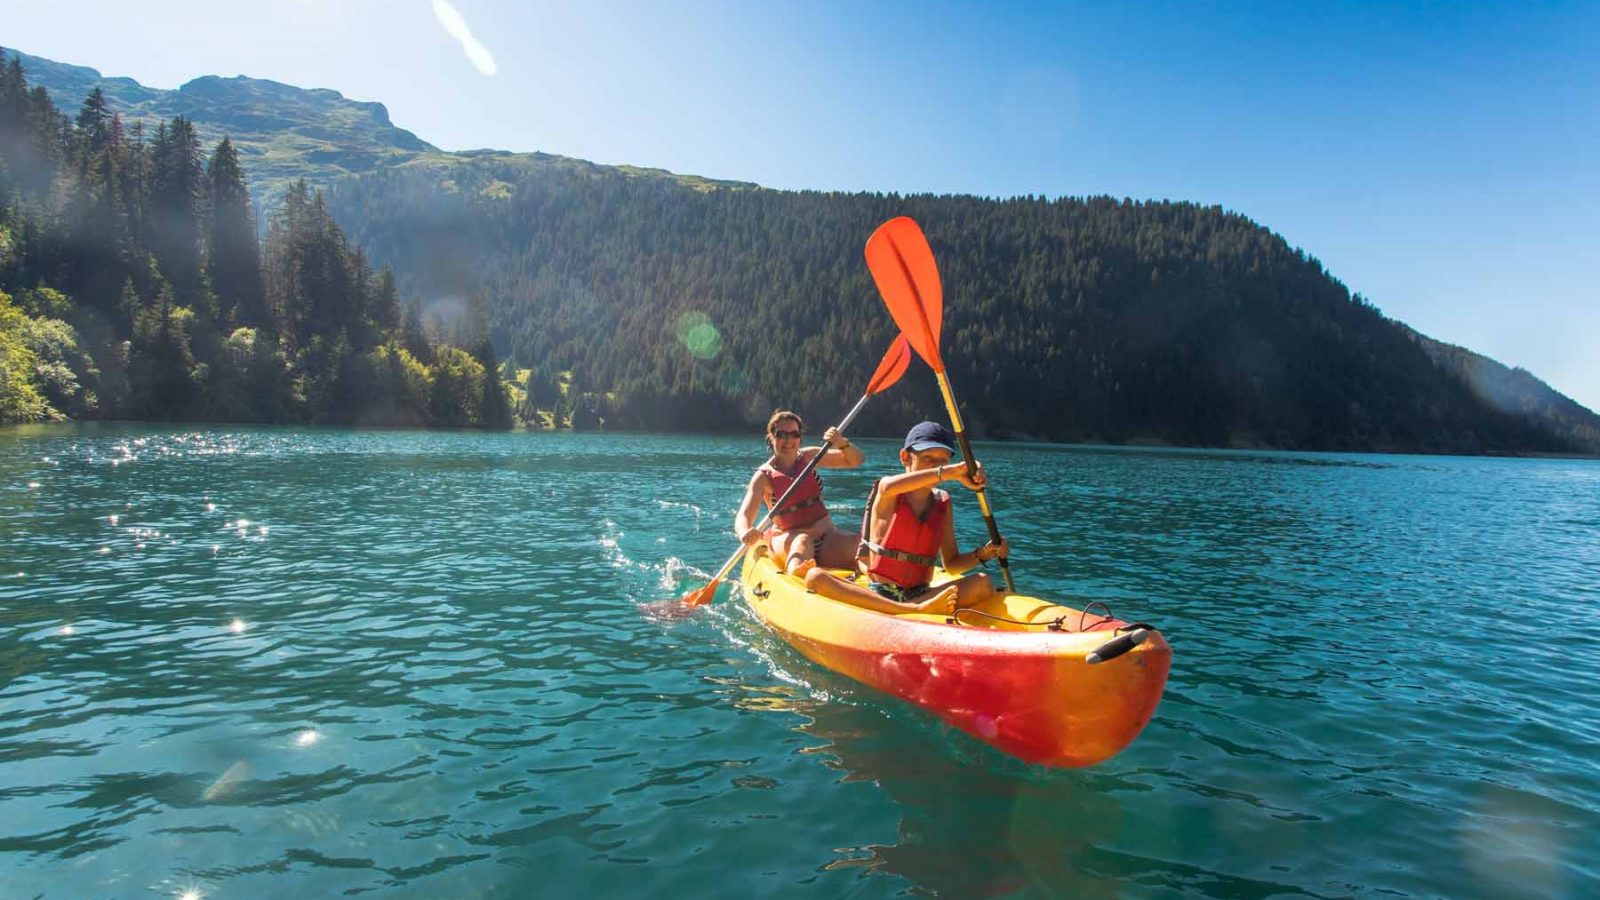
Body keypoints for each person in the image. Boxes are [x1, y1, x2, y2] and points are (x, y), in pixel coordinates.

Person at [800, 421, 1008, 616]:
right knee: (815, 577)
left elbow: (952, 563)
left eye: (942, 461)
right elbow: (888, 486)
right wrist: (951, 471)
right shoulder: (889, 489)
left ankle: (916, 606)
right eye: (928, 458)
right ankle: (911, 610)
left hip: (921, 592)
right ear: (905, 457)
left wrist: (983, 553)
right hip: (881, 593)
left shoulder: (943, 502)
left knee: (982, 582)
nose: (936, 466)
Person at [734, 410, 865, 576]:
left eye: (794, 434)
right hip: (791, 541)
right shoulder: (762, 477)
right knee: (803, 542)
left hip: (826, 537)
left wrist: (842, 442)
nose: (788, 440)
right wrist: (745, 531)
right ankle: (797, 576)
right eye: (781, 434)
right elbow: (743, 516)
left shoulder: (810, 457)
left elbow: (855, 460)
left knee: (857, 544)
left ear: (800, 438)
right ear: (771, 437)